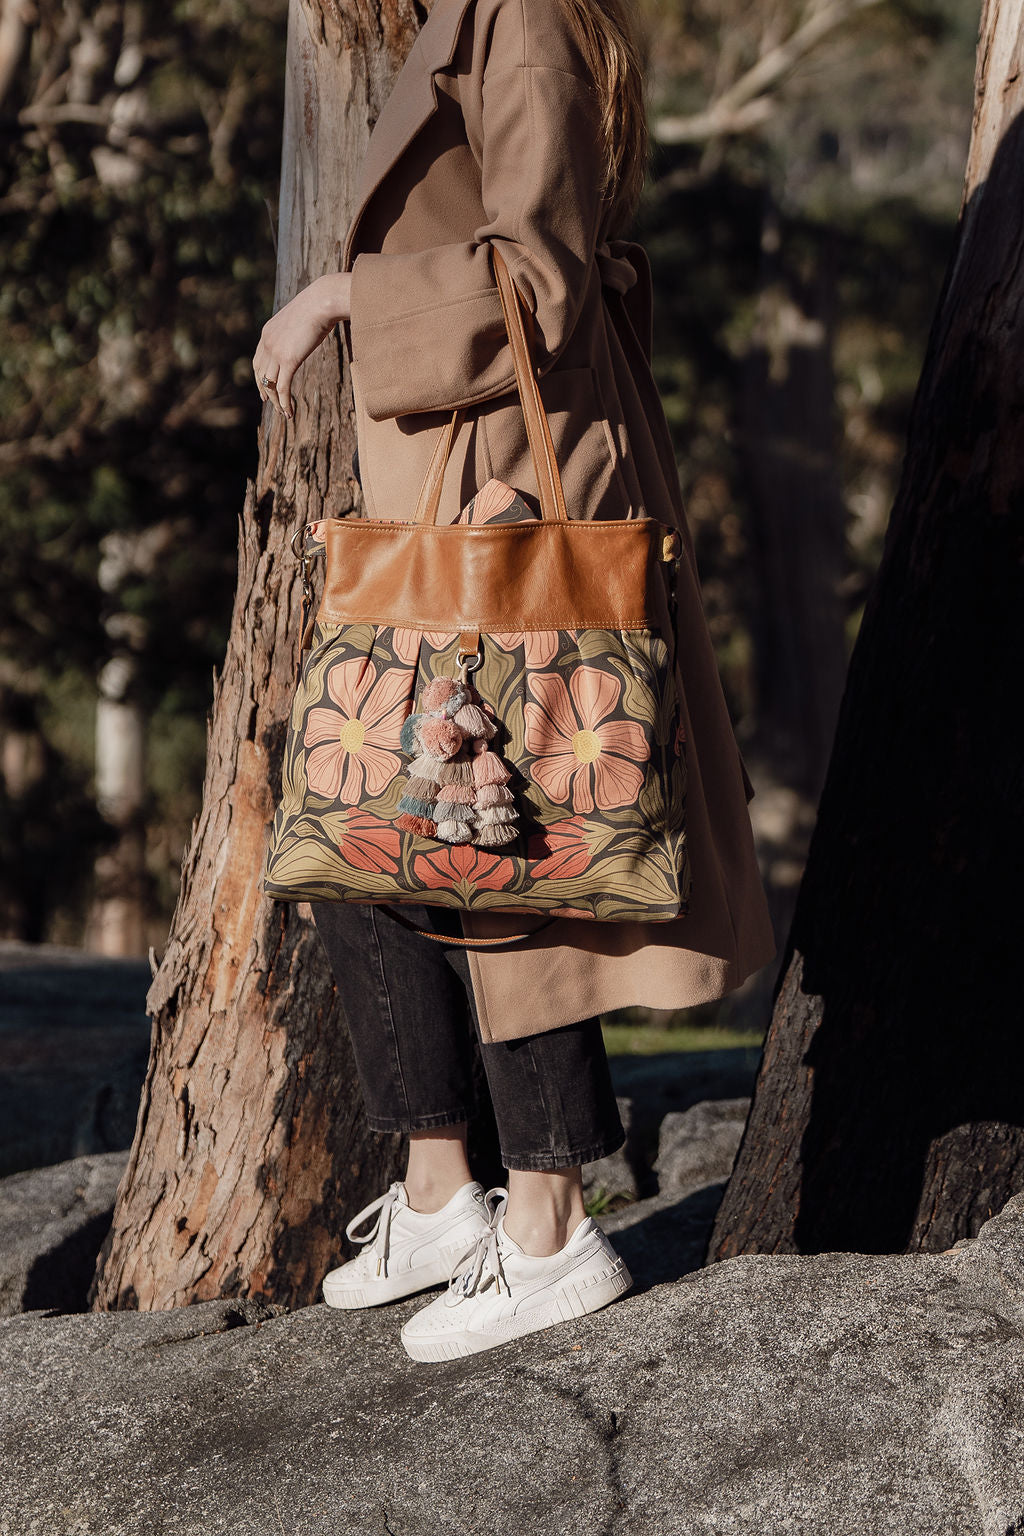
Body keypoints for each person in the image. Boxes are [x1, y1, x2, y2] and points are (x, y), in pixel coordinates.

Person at [251, 0, 776, 1362]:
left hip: (510, 485)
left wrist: (341, 298)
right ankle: (438, 1192)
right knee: (368, 816)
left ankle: (548, 1231)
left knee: (505, 841)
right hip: (449, 477)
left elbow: (535, 281)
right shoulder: (474, 16)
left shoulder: (527, 16)